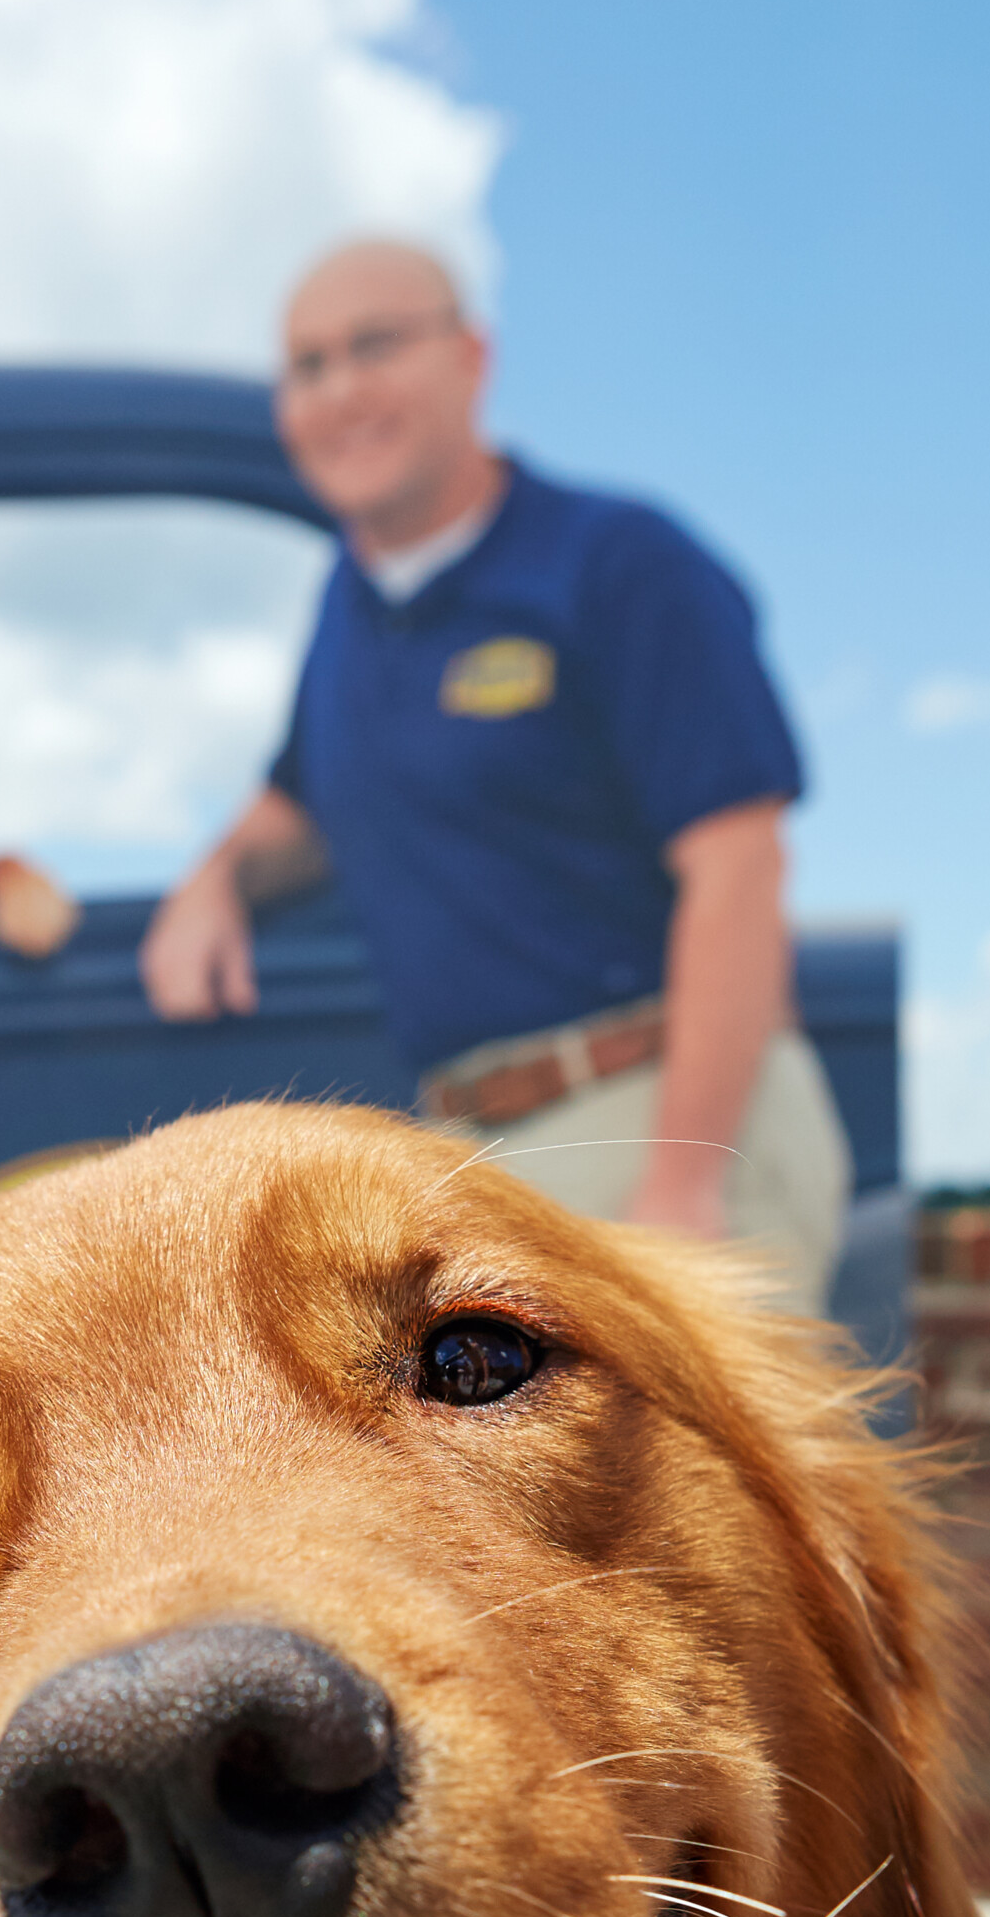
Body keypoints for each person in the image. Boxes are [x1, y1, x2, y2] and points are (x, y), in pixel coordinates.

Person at [140, 240, 850, 1307]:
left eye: (375, 346)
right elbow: (303, 805)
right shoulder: (349, 607)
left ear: (473, 358)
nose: (341, 391)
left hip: (659, 1110)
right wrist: (214, 881)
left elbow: (740, 867)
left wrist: (685, 1180)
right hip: (476, 1152)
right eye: (309, 365)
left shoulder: (619, 565)